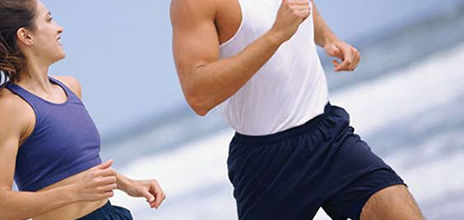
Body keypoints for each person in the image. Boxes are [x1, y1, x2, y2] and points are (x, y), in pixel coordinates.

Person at [169, 0, 424, 219]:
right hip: (266, 164)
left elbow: (299, 7)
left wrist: (329, 39)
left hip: (330, 138)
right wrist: (275, 35)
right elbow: (198, 94)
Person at [0, 0, 165, 219]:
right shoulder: (8, 108)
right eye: (48, 19)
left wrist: (126, 183)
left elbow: (76, 171)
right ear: (26, 36)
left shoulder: (71, 87)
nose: (59, 27)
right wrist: (75, 192)